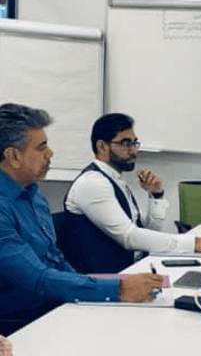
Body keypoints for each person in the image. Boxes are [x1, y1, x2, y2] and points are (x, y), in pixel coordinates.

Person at [0, 103, 164, 335]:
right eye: (41, 147)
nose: (50, 153)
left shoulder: (34, 194)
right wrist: (118, 289)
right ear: (14, 156)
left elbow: (56, 260)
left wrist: (92, 293)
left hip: (54, 306)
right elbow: (37, 279)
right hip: (19, 325)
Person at [62, 113, 201, 273]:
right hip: (106, 279)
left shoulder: (114, 180)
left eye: (135, 143)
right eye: (125, 143)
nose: (134, 151)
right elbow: (129, 237)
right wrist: (194, 243)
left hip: (134, 267)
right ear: (102, 146)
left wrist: (156, 196)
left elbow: (148, 229)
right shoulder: (93, 183)